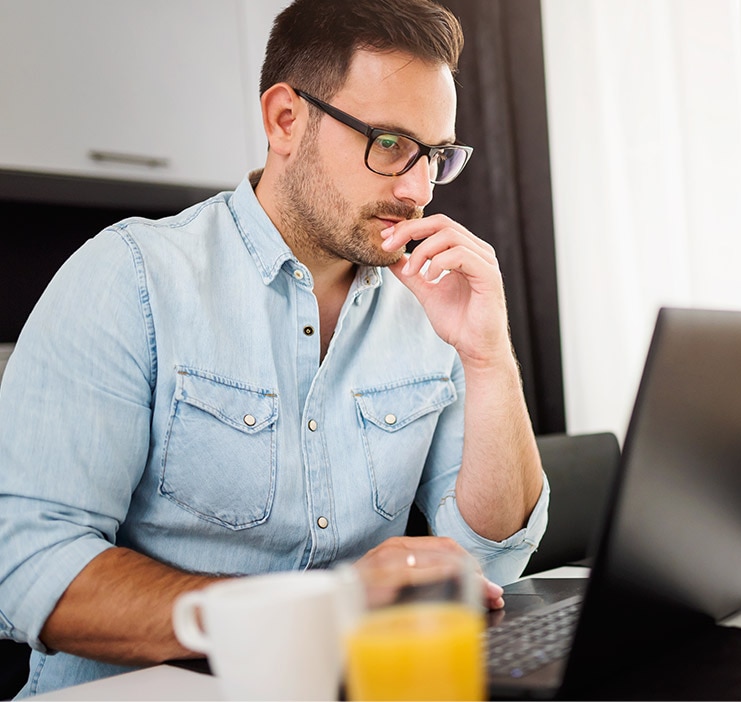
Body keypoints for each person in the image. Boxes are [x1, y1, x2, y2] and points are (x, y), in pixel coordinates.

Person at [0, 0, 549, 695]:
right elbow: (27, 564)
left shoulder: (426, 307)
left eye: (436, 156)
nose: (417, 189)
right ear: (286, 119)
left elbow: (490, 561)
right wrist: (327, 607)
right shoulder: (129, 278)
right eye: (388, 143)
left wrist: (489, 359)